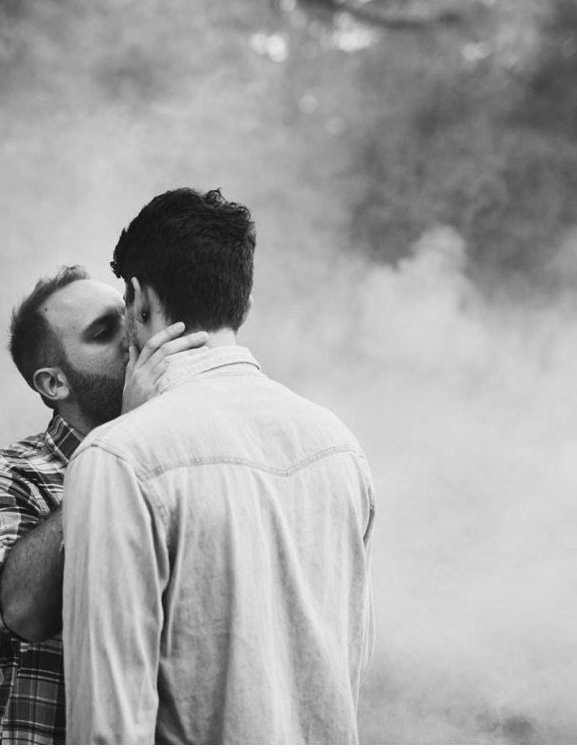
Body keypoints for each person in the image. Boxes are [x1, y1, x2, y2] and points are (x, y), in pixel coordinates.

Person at [61, 189, 377, 744]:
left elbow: (108, 727)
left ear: (136, 299)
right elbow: (346, 670)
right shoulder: (339, 445)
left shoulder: (119, 458)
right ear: (244, 304)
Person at [0, 264, 208, 744]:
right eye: (103, 332)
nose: (131, 337)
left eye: (127, 317)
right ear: (54, 383)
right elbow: (24, 613)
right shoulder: (8, 473)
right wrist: (119, 444)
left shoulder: (185, 455)